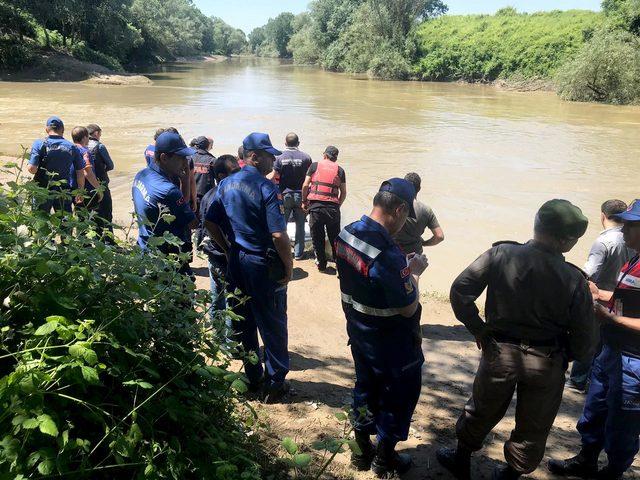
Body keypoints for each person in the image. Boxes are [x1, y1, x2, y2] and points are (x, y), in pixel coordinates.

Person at [436, 199, 598, 480]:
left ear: (536, 224)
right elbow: (586, 339)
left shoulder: (501, 253)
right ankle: (510, 475)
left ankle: (461, 460)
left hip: (500, 352)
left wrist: (478, 328)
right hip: (547, 362)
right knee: (534, 426)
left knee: (481, 409)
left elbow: (461, 290)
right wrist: (565, 357)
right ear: (567, 242)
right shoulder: (575, 280)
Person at [335, 178, 429, 477]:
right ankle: (383, 460)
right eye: (406, 217)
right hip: (394, 343)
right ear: (400, 209)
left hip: (360, 333)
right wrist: (413, 272)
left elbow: (356, 282)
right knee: (398, 397)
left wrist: (401, 267)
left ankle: (361, 453)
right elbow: (408, 306)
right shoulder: (389, 254)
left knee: (365, 388)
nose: (405, 224)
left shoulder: (347, 233)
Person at [549, 199, 640, 480]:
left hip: (633, 360)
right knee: (595, 410)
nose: (623, 230)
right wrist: (600, 294)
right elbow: (629, 301)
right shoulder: (634, 259)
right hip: (611, 350)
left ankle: (613, 472)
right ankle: (586, 460)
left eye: (630, 225)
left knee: (623, 424)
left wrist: (611, 319)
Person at [205, 132, 293, 403]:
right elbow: (279, 236)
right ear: (254, 157)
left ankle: (253, 376)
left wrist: (228, 249)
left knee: (244, 321)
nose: (274, 160)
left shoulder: (226, 184)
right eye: (269, 156)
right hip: (262, 265)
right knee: (273, 323)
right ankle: (275, 383)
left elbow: (210, 221)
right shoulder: (267, 188)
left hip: (238, 262)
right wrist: (288, 268)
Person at [567, 199, 633, 393]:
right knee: (608, 341)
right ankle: (597, 378)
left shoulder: (604, 241)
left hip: (600, 297)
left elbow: (590, 272)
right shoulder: (631, 239)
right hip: (624, 299)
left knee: (590, 336)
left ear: (602, 216)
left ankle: (577, 381)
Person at [132, 131, 198, 275]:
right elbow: (192, 223)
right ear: (164, 158)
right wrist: (186, 181)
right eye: (181, 157)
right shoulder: (168, 190)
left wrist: (184, 180)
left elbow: (177, 208)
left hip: (146, 246)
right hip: (166, 259)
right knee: (183, 295)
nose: (185, 162)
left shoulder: (141, 175)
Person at [197, 155, 240, 317]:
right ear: (222, 176)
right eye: (236, 171)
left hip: (212, 253)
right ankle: (229, 341)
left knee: (216, 299)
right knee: (232, 304)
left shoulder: (208, 195)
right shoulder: (227, 197)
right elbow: (213, 226)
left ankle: (217, 337)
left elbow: (203, 226)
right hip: (224, 257)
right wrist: (228, 250)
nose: (240, 173)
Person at [28, 116, 87, 217]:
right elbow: (80, 172)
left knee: (39, 221)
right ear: (62, 130)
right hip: (63, 191)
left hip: (42, 189)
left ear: (47, 130)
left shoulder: (39, 143)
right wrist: (80, 191)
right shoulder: (72, 147)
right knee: (65, 222)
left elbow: (32, 169)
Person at [302, 146, 347, 271]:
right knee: (335, 239)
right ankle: (339, 266)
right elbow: (343, 192)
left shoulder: (314, 166)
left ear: (325, 155)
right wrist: (338, 205)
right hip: (333, 209)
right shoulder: (340, 170)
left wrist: (304, 201)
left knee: (317, 238)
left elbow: (305, 185)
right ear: (335, 157)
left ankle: (322, 265)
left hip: (316, 207)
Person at [271, 133, 312, 260]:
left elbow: (272, 177)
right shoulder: (306, 158)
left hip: (285, 196)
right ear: (298, 143)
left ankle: (282, 253)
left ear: (285, 143)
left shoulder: (279, 158)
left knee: (281, 226)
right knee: (300, 226)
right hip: (301, 196)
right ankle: (299, 254)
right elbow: (309, 179)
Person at [393, 172, 444, 255]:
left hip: (394, 252)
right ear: (419, 188)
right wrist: (424, 243)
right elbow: (439, 236)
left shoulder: (394, 205)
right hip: (415, 255)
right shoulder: (427, 210)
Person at [86, 124, 115, 239]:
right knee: (106, 214)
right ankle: (108, 241)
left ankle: (92, 239)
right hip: (101, 184)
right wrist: (101, 170)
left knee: (90, 215)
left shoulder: (81, 146)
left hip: (86, 186)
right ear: (97, 133)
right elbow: (111, 165)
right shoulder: (99, 146)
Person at [71, 126, 102, 209]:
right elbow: (87, 173)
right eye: (88, 137)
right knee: (90, 216)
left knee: (78, 215)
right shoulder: (85, 152)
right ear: (84, 138)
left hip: (72, 188)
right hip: (86, 191)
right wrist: (98, 189)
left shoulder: (70, 149)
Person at [190, 136, 217, 212]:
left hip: (190, 196)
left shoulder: (189, 157)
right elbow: (218, 179)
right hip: (206, 198)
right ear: (208, 146)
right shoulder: (212, 160)